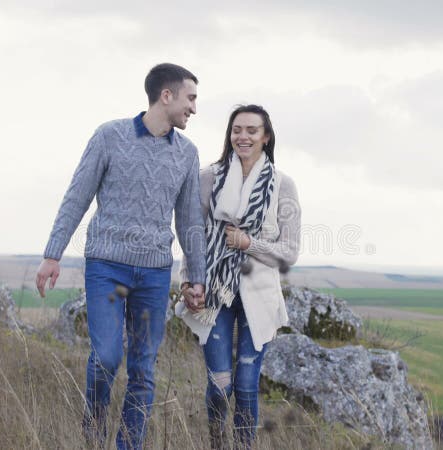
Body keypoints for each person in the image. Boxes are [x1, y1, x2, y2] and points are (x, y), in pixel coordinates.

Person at [35, 63, 207, 450]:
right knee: (108, 357)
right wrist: (53, 253)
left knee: (144, 371)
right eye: (190, 98)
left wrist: (196, 277)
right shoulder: (109, 136)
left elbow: (191, 220)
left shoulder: (187, 154)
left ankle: (127, 446)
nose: (194, 108)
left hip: (155, 274)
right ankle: (92, 434)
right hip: (107, 268)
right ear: (167, 96)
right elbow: (77, 195)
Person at [176, 104, 302, 449]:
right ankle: (217, 443)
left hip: (259, 294)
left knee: (246, 384)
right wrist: (188, 282)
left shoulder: (282, 185)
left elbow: (290, 251)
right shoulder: (208, 178)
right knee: (220, 384)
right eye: (237, 130)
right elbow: (193, 236)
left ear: (266, 137)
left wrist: (249, 243)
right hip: (213, 291)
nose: (242, 137)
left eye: (251, 130)